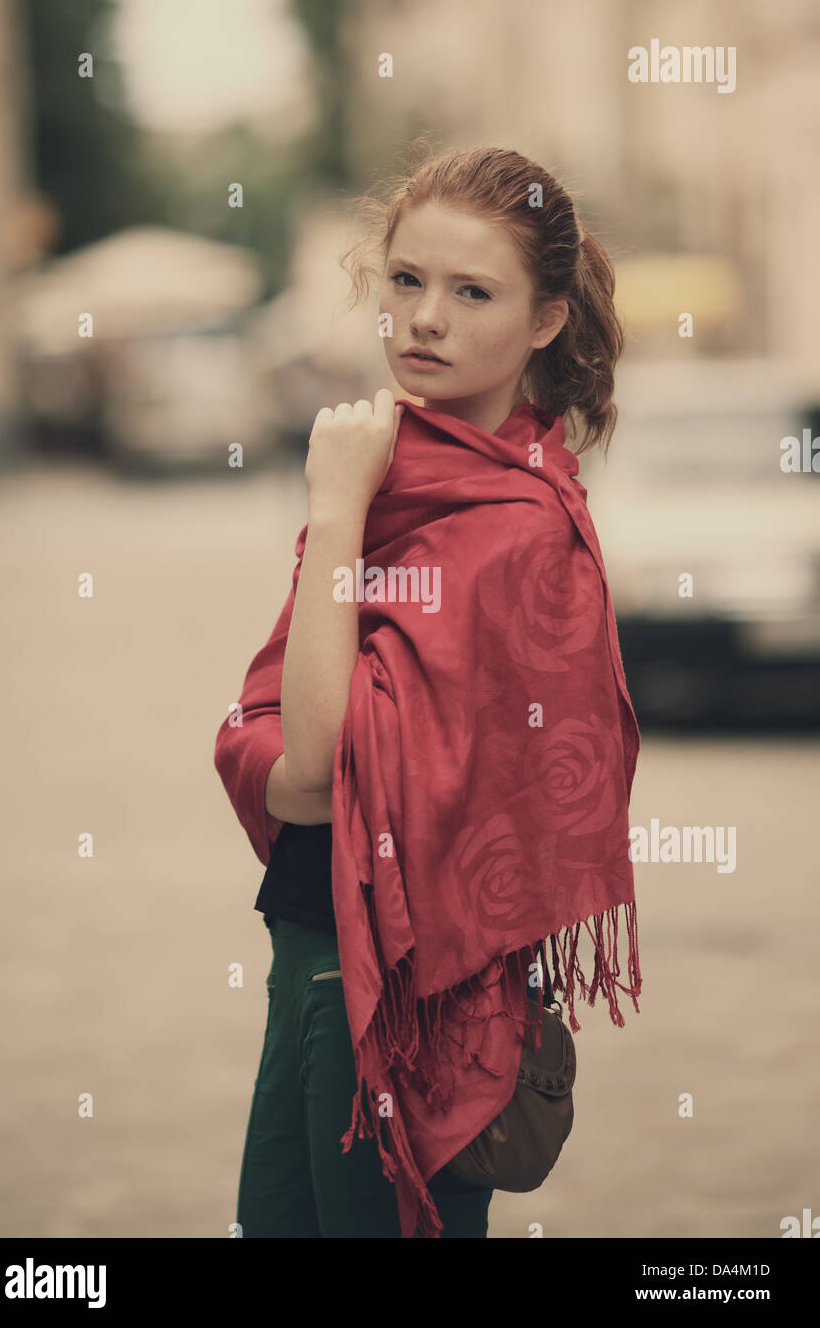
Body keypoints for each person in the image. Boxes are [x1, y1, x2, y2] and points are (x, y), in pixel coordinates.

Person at [214, 144, 641, 1239]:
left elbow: (314, 766)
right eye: (405, 280)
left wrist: (335, 512)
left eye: (472, 292)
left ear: (546, 319)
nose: (425, 319)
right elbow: (277, 732)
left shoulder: (514, 527)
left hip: (412, 999)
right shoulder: (394, 469)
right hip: (307, 954)